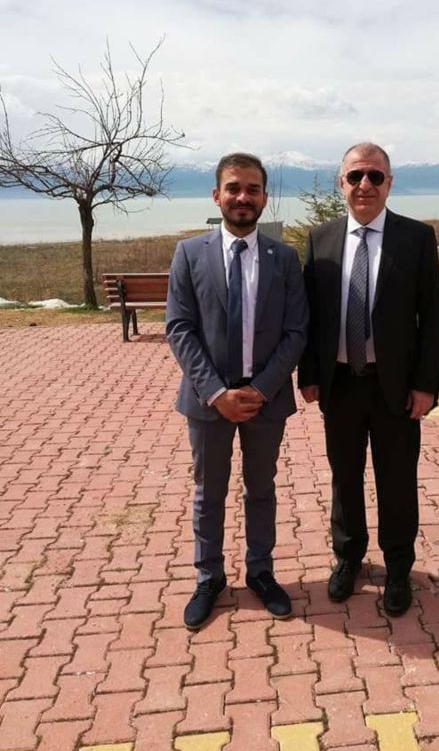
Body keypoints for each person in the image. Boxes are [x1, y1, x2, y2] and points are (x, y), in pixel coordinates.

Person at [298, 142, 439, 616]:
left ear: (389, 184)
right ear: (340, 183)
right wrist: (309, 373)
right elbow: (312, 315)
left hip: (395, 386)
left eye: (375, 176)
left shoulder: (416, 238)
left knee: (397, 479)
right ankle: (348, 557)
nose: (365, 185)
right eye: (356, 176)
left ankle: (398, 567)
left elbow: (431, 317)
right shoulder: (320, 239)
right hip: (340, 383)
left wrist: (426, 385)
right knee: (344, 476)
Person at [166, 152, 308, 629]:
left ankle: (261, 572)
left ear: (264, 198)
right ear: (217, 195)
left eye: (252, 189)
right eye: (233, 188)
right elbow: (179, 328)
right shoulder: (189, 254)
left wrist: (262, 389)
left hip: (266, 400)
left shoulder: (284, 258)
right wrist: (217, 393)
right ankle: (209, 578)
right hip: (208, 402)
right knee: (209, 492)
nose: (242, 197)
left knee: (261, 489)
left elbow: (297, 331)